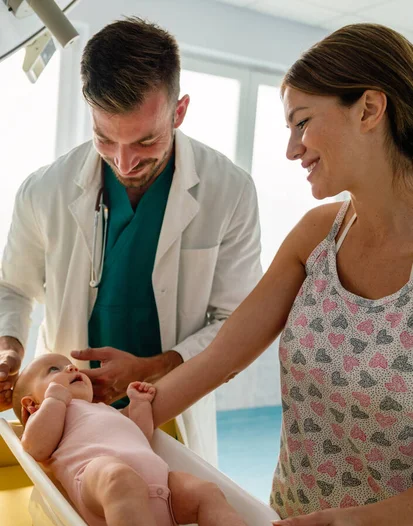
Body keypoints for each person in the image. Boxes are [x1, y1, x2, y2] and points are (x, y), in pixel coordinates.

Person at [141, 23, 413, 526]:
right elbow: (221, 357)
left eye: (302, 122)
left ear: (369, 108)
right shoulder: (318, 235)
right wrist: (119, 422)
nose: (292, 149)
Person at [0, 17, 262, 464]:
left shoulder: (229, 191)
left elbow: (239, 319)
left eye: (146, 141)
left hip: (171, 411)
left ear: (178, 112)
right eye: (105, 138)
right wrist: (9, 346)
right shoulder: (44, 189)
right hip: (65, 418)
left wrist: (158, 367)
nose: (124, 162)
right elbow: (13, 288)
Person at [12, 353, 299, 526]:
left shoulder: (103, 410)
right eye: (54, 370)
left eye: (69, 364)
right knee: (118, 477)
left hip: (159, 487)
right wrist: (53, 401)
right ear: (31, 405)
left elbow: (140, 435)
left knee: (204, 492)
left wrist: (138, 405)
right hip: (103, 491)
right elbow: (34, 446)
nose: (71, 369)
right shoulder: (51, 416)